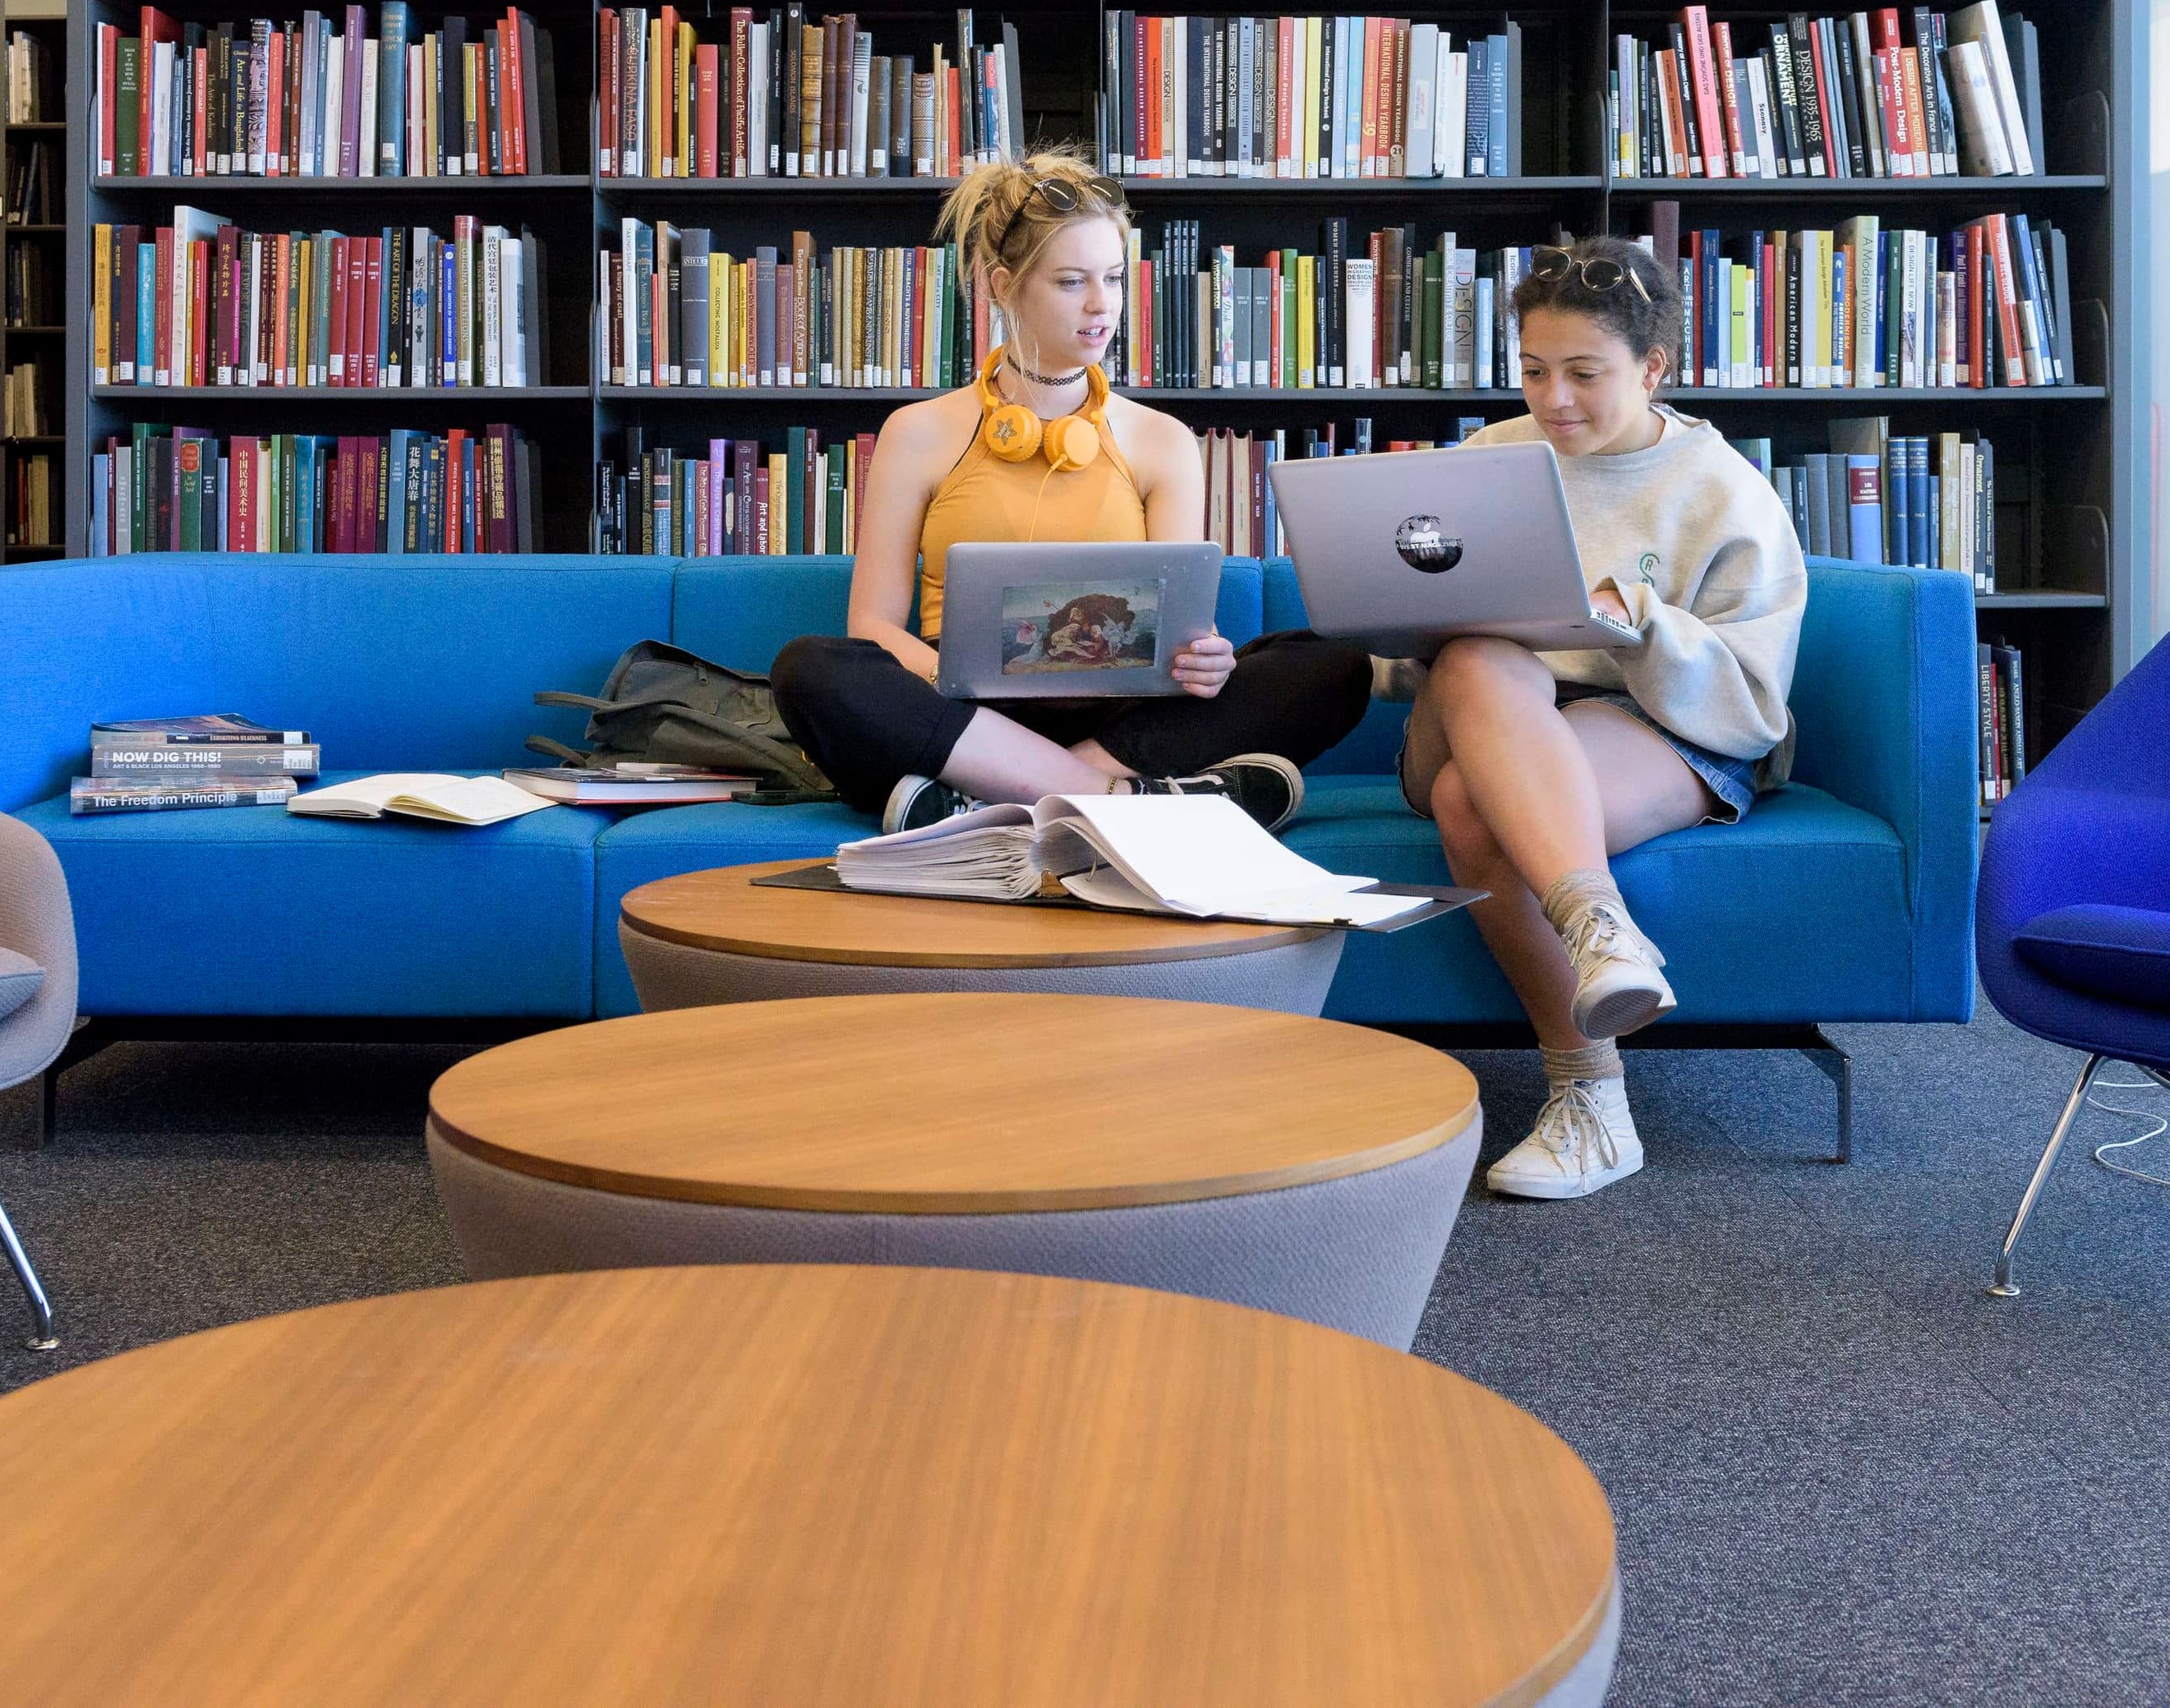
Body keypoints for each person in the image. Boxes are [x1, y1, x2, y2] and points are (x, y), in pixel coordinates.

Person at [771, 148, 1371, 832]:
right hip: (965, 711)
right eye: (1071, 281)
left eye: (1114, 279)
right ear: (1004, 286)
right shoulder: (917, 433)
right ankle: (1124, 803)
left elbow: (1178, 626)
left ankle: (993, 798)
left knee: (1335, 664)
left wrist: (1201, 657)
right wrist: (946, 681)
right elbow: (872, 626)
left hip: (1120, 714)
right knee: (809, 669)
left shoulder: (1162, 439)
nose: (1102, 305)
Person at [1397, 237, 1806, 1202]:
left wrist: (1642, 626)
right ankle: (1601, 929)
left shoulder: (1725, 489)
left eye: (1585, 373)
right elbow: (1401, 649)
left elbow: (1751, 706)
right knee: (1476, 655)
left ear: (1653, 367)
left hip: (1659, 724)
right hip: (1481, 706)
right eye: (1534, 371)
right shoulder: (1490, 459)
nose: (1553, 399)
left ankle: (1591, 1098)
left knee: (1472, 801)